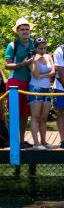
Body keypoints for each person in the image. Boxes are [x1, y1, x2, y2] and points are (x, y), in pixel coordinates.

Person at [4, 18, 35, 148]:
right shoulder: (12, 45)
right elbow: (7, 65)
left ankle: (21, 141)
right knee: (14, 113)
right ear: (17, 31)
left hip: (29, 83)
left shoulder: (33, 43)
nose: (25, 31)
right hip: (14, 82)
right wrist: (22, 64)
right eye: (22, 29)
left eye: (27, 29)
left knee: (25, 114)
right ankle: (13, 141)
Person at [27, 37, 55, 150]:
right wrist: (35, 61)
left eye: (44, 48)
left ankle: (44, 141)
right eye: (40, 49)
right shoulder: (32, 58)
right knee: (36, 116)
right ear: (35, 48)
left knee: (44, 117)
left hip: (46, 88)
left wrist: (44, 76)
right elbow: (35, 75)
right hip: (35, 88)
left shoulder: (48, 56)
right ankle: (36, 143)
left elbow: (53, 72)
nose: (43, 51)